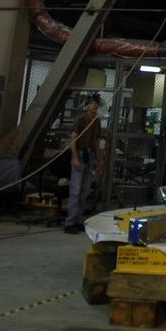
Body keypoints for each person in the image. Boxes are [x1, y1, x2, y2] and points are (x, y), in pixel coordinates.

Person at [64, 93, 101, 235]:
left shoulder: (96, 121)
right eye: (91, 103)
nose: (94, 105)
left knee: (84, 190)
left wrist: (99, 162)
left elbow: (96, 142)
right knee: (75, 190)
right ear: (86, 106)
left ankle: (78, 220)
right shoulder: (81, 119)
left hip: (89, 155)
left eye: (96, 103)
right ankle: (70, 221)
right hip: (80, 153)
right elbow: (73, 138)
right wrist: (75, 158)